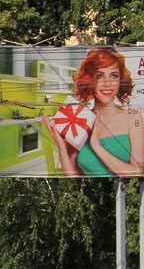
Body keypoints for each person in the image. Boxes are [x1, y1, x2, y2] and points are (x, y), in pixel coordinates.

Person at [45, 47, 144, 177]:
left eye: (114, 75)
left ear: (120, 80)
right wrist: (62, 148)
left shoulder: (133, 117)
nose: (107, 83)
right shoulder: (79, 120)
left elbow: (138, 172)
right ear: (89, 80)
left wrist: (96, 146)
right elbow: (75, 177)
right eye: (99, 76)